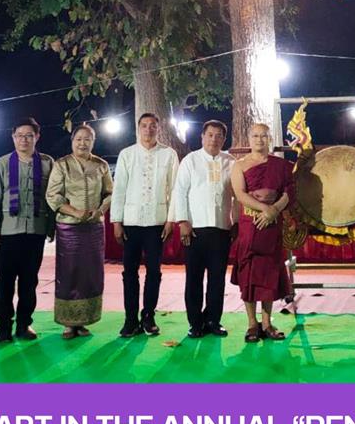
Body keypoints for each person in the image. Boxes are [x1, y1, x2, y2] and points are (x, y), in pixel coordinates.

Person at [0, 118, 55, 343]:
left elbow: (52, 196)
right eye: (20, 135)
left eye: (29, 135)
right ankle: (3, 326)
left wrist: (51, 227)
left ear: (37, 137)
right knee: (5, 283)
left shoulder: (47, 163)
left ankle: (24, 325)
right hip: (7, 233)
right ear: (13, 138)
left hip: (35, 231)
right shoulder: (2, 163)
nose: (24, 139)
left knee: (29, 282)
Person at [111, 113, 178, 338]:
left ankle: (148, 316)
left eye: (153, 126)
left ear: (158, 129)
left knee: (154, 272)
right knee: (129, 272)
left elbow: (175, 190)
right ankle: (130, 319)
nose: (148, 130)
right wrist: (116, 221)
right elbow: (119, 188)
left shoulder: (169, 154)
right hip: (131, 221)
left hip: (157, 222)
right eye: (144, 126)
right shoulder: (127, 154)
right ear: (138, 128)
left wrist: (171, 220)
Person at [46, 124, 113, 337]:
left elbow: (111, 193)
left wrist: (100, 210)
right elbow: (53, 196)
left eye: (87, 139)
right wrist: (74, 212)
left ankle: (84, 320)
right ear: (72, 141)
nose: (82, 143)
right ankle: (68, 322)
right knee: (69, 272)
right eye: (79, 139)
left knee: (90, 273)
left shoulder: (101, 165)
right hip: (69, 228)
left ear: (93, 142)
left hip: (93, 228)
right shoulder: (62, 164)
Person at [230, 123, 293, 343]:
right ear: (249, 139)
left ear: (270, 138)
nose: (259, 140)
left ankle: (267, 323)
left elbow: (288, 192)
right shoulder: (239, 165)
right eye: (255, 136)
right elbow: (239, 193)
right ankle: (251, 324)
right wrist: (264, 209)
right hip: (251, 223)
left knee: (269, 272)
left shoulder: (282, 165)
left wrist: (274, 210)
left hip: (272, 224)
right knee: (249, 273)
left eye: (264, 136)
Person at [173, 120, 236, 338]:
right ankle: (195, 323)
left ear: (223, 139)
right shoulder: (190, 160)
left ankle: (213, 320)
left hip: (221, 228)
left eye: (219, 135)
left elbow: (238, 197)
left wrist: (235, 223)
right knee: (194, 278)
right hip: (195, 229)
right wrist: (183, 222)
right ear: (202, 137)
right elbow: (180, 192)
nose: (214, 139)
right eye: (210, 135)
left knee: (217, 278)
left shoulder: (231, 162)